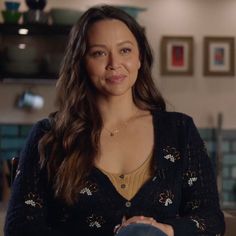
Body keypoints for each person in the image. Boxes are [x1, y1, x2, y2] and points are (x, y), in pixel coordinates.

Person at [4, 5, 225, 236]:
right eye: (99, 53)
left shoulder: (180, 130)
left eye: (125, 50)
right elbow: (20, 229)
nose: (114, 63)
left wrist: (166, 230)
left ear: (140, 57)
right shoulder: (49, 135)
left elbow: (210, 219)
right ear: (81, 62)